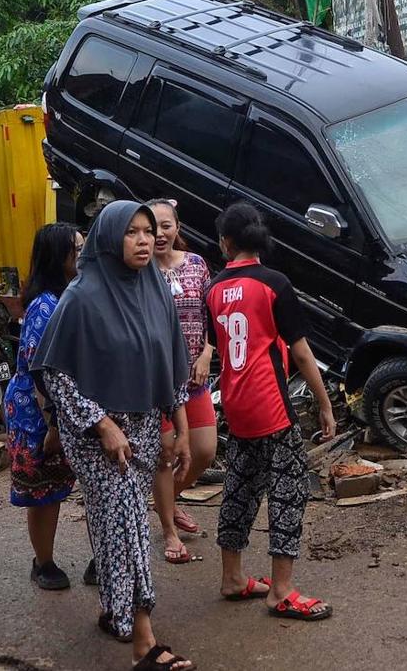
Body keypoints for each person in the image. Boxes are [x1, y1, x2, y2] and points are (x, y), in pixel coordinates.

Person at [32, 201, 196, 671]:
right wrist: (101, 424)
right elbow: (56, 374)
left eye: (149, 232)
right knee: (128, 525)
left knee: (113, 525)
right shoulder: (81, 297)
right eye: (132, 233)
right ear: (108, 239)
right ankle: (144, 639)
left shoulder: (155, 290)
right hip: (96, 434)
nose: (145, 241)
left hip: (144, 426)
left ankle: (115, 610)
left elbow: (169, 364)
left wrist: (180, 429)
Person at [206, 202, 336, 622]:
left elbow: (219, 349)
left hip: (235, 402)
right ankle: (281, 591)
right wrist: (325, 402)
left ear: (226, 242)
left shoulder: (214, 290)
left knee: (241, 485)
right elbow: (300, 353)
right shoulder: (274, 283)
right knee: (288, 490)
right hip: (271, 405)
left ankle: (232, 577)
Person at [5, 222, 84, 590]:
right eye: (76, 249)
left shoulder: (72, 297)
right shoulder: (43, 307)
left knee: (57, 484)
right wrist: (53, 425)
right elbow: (41, 371)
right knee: (42, 492)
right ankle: (43, 562)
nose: (82, 255)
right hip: (36, 411)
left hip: (60, 409)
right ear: (58, 257)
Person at [147, 199, 217, 565]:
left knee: (205, 450)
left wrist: (207, 353)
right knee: (166, 455)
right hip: (159, 383)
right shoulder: (140, 273)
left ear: (177, 227)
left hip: (195, 378)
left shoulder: (196, 265)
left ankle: (168, 502)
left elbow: (212, 316)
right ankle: (169, 531)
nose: (160, 234)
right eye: (152, 227)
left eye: (166, 226)